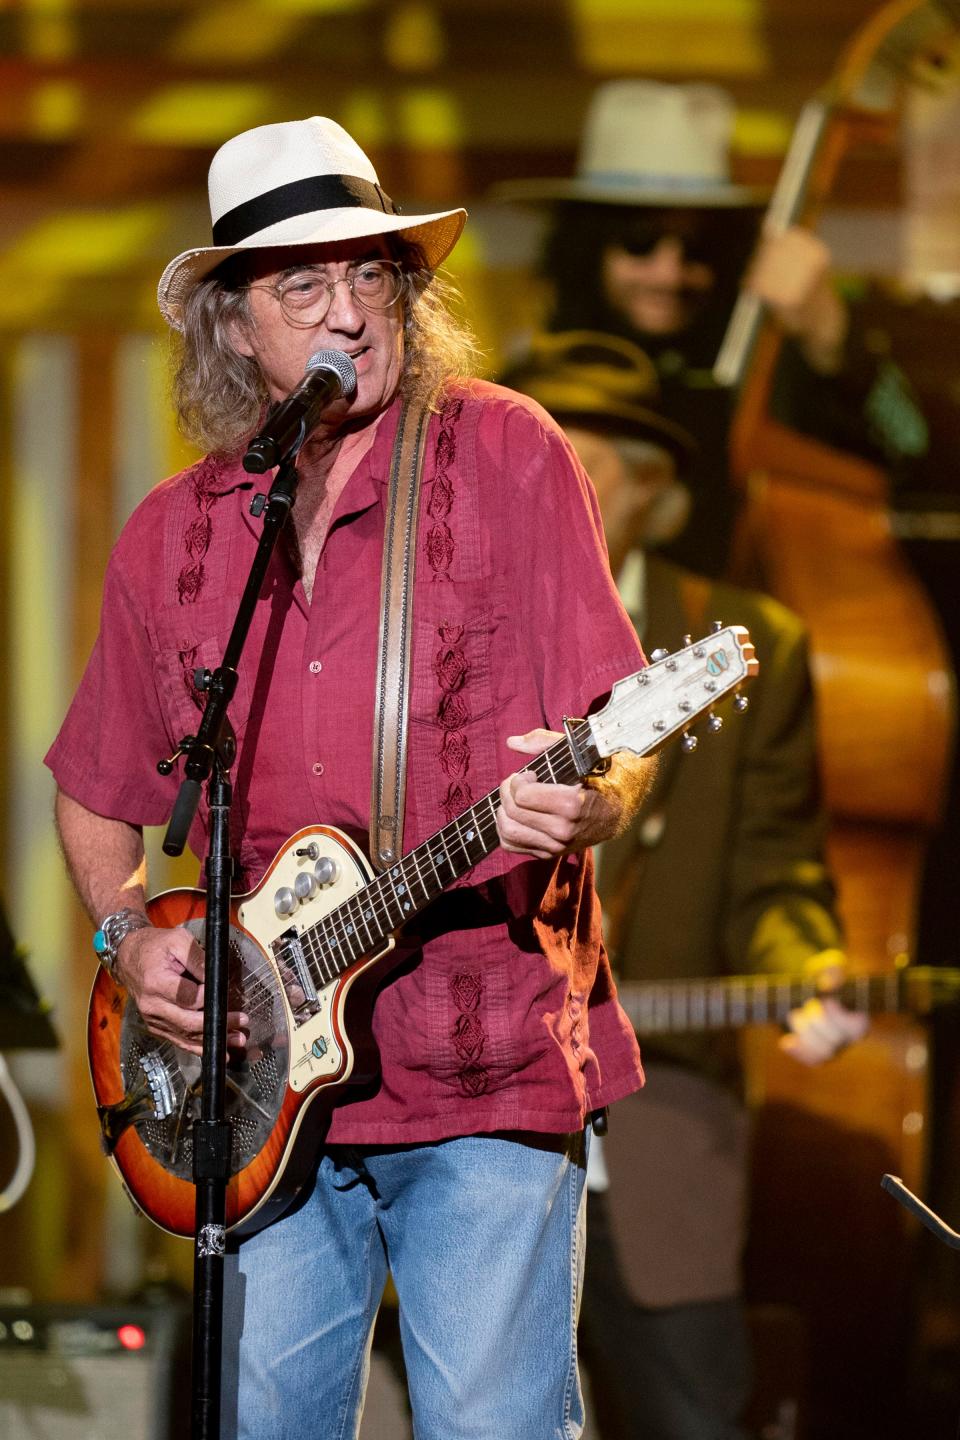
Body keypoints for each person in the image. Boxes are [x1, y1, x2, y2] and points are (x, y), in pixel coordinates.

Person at [44, 118, 658, 1440]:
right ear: (235, 325)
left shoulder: (510, 456)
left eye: (371, 274)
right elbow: (99, 787)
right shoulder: (180, 531)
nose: (349, 313)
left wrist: (603, 799)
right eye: (301, 284)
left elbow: (622, 729)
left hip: (484, 1052)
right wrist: (122, 939)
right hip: (255, 1094)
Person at [502, 329, 869, 1439]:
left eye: (573, 460)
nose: (539, 485)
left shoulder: (755, 646)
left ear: (648, 487)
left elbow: (776, 869)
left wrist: (805, 967)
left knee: (695, 1413)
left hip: (664, 1124)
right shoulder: (458, 638)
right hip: (479, 1115)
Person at [496, 79, 928, 576]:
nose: (669, 273)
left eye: (697, 249)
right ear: (586, 252)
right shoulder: (530, 388)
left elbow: (912, 449)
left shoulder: (770, 378)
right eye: (640, 243)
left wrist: (832, 335)